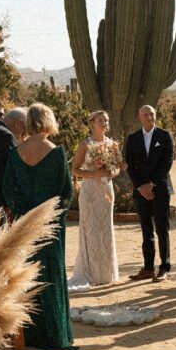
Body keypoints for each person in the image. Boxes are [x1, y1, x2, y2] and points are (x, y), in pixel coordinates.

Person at [2, 103, 75, 350]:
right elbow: (66, 191)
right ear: (48, 120)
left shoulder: (15, 152)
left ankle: (29, 335)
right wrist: (55, 216)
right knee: (52, 275)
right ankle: (54, 336)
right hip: (50, 225)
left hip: (24, 224)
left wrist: (21, 214)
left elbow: (7, 189)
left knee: (27, 277)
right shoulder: (56, 153)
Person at [68, 110, 120, 291]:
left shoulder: (112, 144)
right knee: (90, 230)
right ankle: (91, 272)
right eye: (100, 120)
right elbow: (74, 169)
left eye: (106, 120)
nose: (104, 123)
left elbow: (118, 167)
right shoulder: (85, 145)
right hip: (90, 192)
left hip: (106, 191)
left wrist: (112, 173)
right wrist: (93, 174)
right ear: (91, 123)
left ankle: (106, 274)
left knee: (105, 229)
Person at [124, 105, 175, 282]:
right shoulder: (133, 139)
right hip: (141, 192)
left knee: (162, 228)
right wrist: (141, 187)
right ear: (139, 117)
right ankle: (148, 268)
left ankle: (164, 267)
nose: (149, 117)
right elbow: (129, 164)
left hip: (160, 190)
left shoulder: (164, 136)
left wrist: (151, 185)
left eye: (152, 114)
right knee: (146, 230)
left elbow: (167, 162)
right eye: (145, 114)